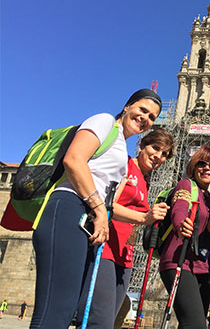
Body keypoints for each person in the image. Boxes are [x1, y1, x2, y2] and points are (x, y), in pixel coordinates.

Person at [30, 89, 161, 329]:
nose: (146, 118)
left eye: (152, 117)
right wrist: (100, 211)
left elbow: (110, 200)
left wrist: (143, 217)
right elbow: (74, 160)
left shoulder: (122, 146)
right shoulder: (104, 121)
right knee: (55, 311)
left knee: (68, 307)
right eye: (142, 110)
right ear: (127, 106)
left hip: (86, 217)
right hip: (69, 207)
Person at [75, 128, 174, 328]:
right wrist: (144, 217)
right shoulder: (126, 166)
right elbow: (107, 203)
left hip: (125, 255)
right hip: (105, 249)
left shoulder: (145, 181)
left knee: (111, 319)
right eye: (155, 148)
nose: (159, 156)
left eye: (164, 154)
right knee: (99, 319)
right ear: (142, 145)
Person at [159, 145, 210, 329]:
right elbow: (180, 207)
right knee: (194, 325)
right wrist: (181, 225)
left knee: (193, 323)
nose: (207, 168)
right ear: (194, 166)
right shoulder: (187, 185)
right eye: (201, 163)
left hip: (202, 267)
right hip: (178, 260)